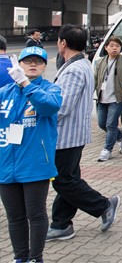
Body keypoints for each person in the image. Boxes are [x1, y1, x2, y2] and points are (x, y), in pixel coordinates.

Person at [47, 24, 120, 242]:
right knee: (69, 179)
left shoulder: (74, 69)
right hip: (73, 134)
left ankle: (104, 205)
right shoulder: (80, 64)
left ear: (63, 43)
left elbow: (61, 107)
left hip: (66, 136)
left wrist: (41, 113)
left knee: (63, 181)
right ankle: (61, 224)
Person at [0, 47, 62, 263]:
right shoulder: (5, 92)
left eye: (38, 61)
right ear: (19, 65)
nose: (33, 64)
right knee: (14, 216)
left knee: (35, 214)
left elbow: (49, 107)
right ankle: (20, 257)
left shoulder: (51, 89)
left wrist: (26, 84)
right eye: (28, 61)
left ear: (45, 66)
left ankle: (36, 258)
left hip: (35, 164)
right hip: (6, 164)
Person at [93, 36, 122, 162]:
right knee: (102, 124)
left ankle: (107, 150)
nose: (115, 48)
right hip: (102, 98)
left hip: (118, 98)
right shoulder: (100, 62)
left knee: (111, 125)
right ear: (106, 47)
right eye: (112, 46)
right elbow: (95, 79)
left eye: (117, 46)